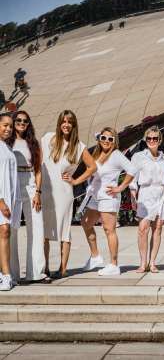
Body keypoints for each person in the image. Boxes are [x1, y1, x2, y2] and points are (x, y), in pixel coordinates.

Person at [41, 110, 96, 278]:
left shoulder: (78, 146)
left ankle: (63, 269)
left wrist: (76, 180)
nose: (66, 125)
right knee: (44, 231)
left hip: (64, 192)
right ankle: (45, 268)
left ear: (74, 125)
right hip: (45, 191)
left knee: (64, 230)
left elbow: (92, 167)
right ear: (59, 123)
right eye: (64, 121)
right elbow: (38, 162)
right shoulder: (47, 138)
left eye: (70, 122)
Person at [80, 127, 136, 276]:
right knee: (85, 222)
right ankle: (95, 256)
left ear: (114, 141)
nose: (106, 141)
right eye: (103, 138)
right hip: (95, 195)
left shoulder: (116, 155)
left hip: (108, 196)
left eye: (110, 139)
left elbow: (132, 170)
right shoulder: (97, 154)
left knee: (109, 229)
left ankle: (114, 264)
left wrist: (121, 187)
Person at [7, 111, 48, 283]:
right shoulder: (7, 142)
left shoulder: (33, 143)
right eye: (18, 120)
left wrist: (38, 192)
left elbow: (38, 170)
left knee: (37, 228)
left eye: (25, 121)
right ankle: (11, 273)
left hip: (31, 184)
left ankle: (36, 272)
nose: (22, 123)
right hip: (13, 185)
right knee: (12, 230)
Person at [130, 126, 164, 273]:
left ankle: (152, 263)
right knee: (143, 229)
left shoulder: (163, 158)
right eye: (149, 138)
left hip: (162, 193)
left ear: (160, 140)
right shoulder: (139, 156)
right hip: (146, 193)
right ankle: (143, 263)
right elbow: (132, 176)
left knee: (158, 228)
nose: (152, 140)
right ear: (145, 139)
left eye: (155, 138)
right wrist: (133, 194)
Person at [0, 114, 22, 291]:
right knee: (4, 231)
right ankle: (6, 275)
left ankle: (4, 274)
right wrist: (1, 201)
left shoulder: (7, 147)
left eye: (10, 126)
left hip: (9, 198)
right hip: (1, 198)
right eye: (4, 125)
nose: (8, 128)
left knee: (5, 232)